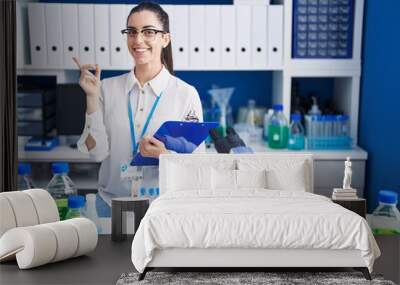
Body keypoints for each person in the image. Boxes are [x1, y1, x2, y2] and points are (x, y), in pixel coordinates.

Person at [75, 2, 204, 217]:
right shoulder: (105, 88)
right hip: (110, 207)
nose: (138, 40)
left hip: (162, 211)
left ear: (165, 39)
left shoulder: (185, 94)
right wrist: (91, 98)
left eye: (149, 32)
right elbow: (96, 153)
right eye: (132, 32)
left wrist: (164, 156)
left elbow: (196, 167)